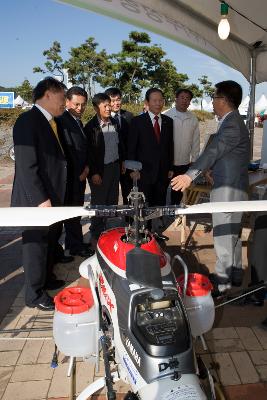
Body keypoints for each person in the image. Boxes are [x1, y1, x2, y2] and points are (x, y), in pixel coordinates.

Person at [171, 80, 250, 294]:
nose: (212, 102)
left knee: (224, 235)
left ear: (223, 100)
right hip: (234, 185)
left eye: (214, 97)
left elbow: (213, 151)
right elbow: (224, 153)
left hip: (228, 189)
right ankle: (234, 274)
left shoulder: (231, 123)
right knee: (232, 234)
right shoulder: (232, 121)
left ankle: (222, 283)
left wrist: (190, 176)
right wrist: (211, 170)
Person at [11, 77, 67, 311]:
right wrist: (40, 200)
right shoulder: (28, 121)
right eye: (62, 97)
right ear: (48, 94)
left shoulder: (51, 122)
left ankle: (46, 279)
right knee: (36, 247)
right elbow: (26, 166)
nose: (65, 102)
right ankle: (33, 295)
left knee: (50, 241)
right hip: (36, 201)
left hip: (51, 197)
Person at [128, 88, 174, 240]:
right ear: (147, 103)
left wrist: (170, 168)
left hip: (162, 172)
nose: (158, 103)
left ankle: (155, 233)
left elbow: (169, 146)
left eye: (161, 100)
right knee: (143, 205)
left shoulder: (168, 122)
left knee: (158, 204)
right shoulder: (137, 121)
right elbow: (131, 148)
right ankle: (142, 235)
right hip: (143, 172)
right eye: (154, 100)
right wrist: (133, 170)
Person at [57, 86, 94, 258]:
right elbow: (66, 152)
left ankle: (75, 243)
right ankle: (75, 246)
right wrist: (78, 172)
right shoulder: (62, 121)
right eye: (76, 105)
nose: (80, 109)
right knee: (71, 214)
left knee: (76, 212)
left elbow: (83, 148)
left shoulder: (77, 121)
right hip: (71, 178)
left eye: (83, 105)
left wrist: (86, 167)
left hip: (81, 175)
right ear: (67, 102)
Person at [84, 93, 125, 239]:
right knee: (99, 203)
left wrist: (122, 162)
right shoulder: (90, 127)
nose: (109, 108)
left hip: (114, 167)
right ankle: (96, 232)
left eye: (109, 105)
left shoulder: (114, 122)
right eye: (105, 106)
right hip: (100, 170)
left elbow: (120, 145)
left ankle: (108, 230)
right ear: (96, 108)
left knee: (111, 201)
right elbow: (88, 153)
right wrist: (94, 173)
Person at [165, 88, 200, 204]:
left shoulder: (193, 118)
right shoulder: (166, 115)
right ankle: (160, 216)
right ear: (176, 99)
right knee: (162, 189)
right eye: (182, 98)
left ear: (190, 101)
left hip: (184, 162)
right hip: (167, 161)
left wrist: (194, 160)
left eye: (187, 99)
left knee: (178, 190)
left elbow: (196, 141)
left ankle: (175, 213)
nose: (184, 101)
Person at [105, 87, 133, 204]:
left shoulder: (129, 116)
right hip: (112, 162)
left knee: (129, 191)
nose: (116, 103)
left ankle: (129, 218)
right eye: (113, 100)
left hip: (127, 161)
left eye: (119, 99)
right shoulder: (104, 118)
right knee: (110, 192)